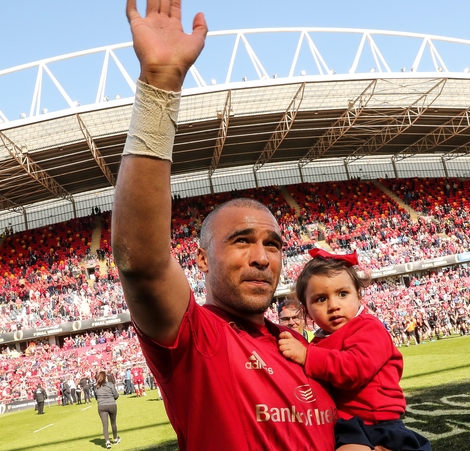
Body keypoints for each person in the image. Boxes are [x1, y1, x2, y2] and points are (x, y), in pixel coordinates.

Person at [112, 1, 337, 449]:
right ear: (201, 257)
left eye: (272, 245)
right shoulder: (198, 341)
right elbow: (142, 261)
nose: (261, 257)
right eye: (241, 241)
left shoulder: (300, 348)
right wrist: (160, 86)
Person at [278, 249, 431, 451]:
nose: (334, 305)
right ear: (306, 309)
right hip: (346, 426)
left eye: (342, 294)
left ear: (359, 295)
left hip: (379, 424)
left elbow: (355, 369)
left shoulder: (369, 327)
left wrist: (307, 356)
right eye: (320, 299)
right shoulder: (317, 341)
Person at [94, 370, 121, 449]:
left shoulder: (96, 387)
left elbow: (96, 398)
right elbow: (116, 395)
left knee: (105, 425)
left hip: (101, 406)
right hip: (111, 404)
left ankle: (108, 442)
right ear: (105, 377)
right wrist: (112, 399)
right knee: (113, 423)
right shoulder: (110, 384)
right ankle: (115, 439)